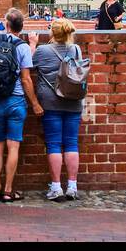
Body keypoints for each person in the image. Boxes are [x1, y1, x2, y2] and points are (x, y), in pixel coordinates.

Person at [0, 7, 42, 203]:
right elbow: (26, 79)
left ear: (6, 24)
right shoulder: (22, 47)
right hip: (16, 100)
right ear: (22, 27)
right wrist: (35, 104)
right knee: (13, 146)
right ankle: (8, 190)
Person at [32, 18, 85, 202]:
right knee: (71, 143)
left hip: (50, 102)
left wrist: (32, 43)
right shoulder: (76, 49)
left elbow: (30, 65)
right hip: (73, 101)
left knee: (54, 144)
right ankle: (72, 186)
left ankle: (56, 187)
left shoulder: (42, 50)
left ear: (52, 33)